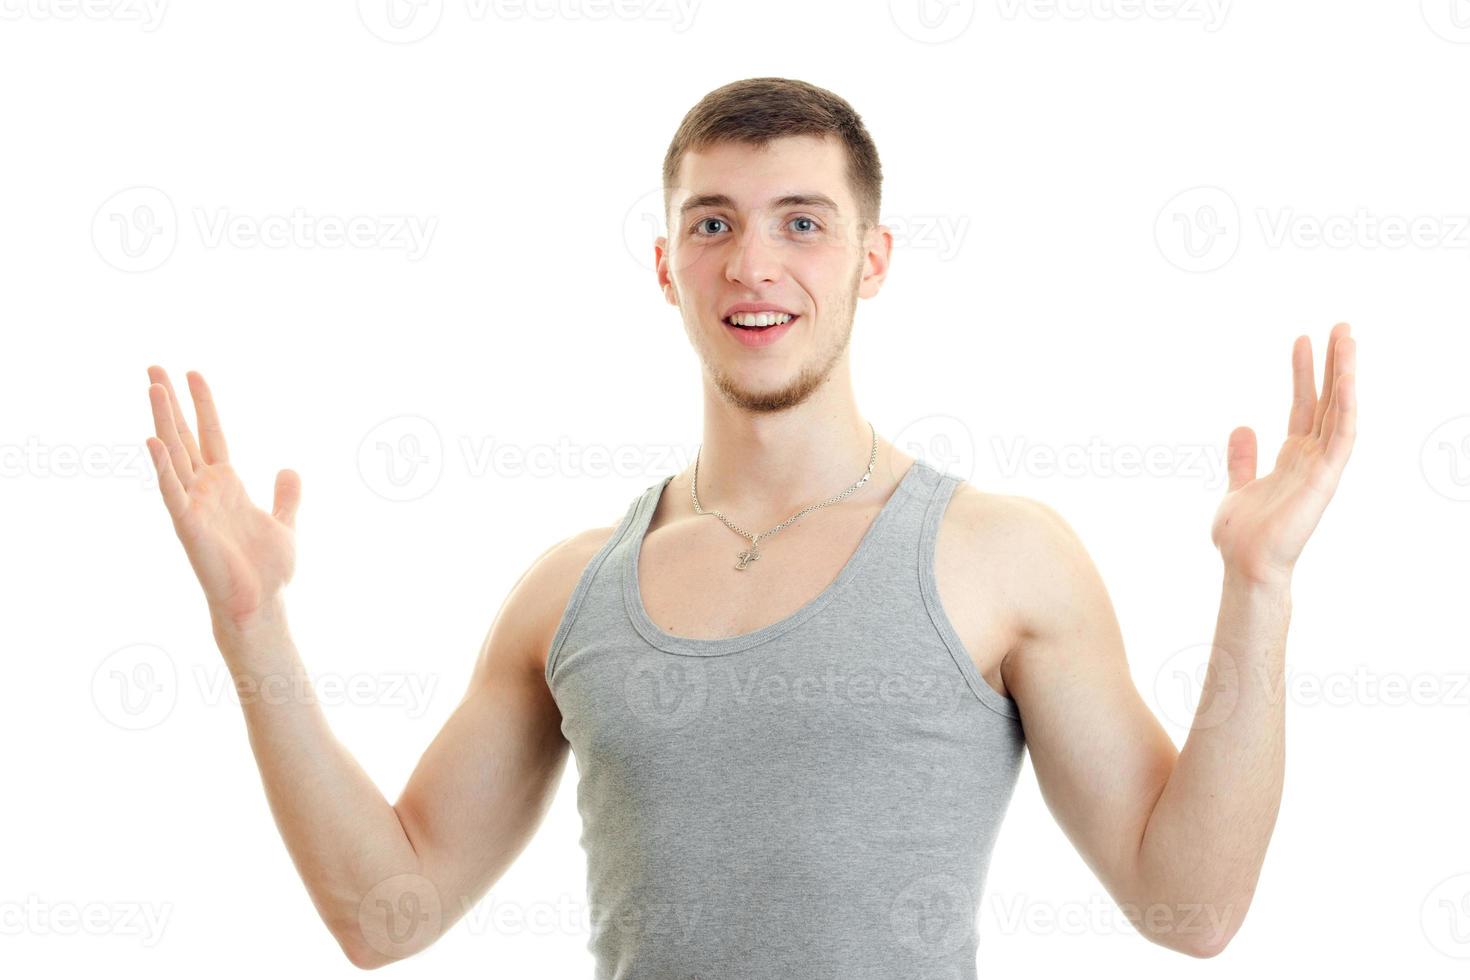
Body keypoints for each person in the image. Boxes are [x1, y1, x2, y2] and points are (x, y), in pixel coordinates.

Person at [142, 77, 1357, 975]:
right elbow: (383, 915)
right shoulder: (567, 591)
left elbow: (1191, 908)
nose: (753, 264)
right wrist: (251, 622)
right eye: (712, 223)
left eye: (803, 222)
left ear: (872, 260)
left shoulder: (1000, 554)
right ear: (667, 266)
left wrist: (1260, 586)